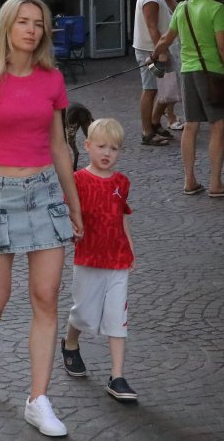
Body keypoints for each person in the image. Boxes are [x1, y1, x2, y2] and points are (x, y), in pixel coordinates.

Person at [0, 0, 85, 438]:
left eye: (39, 23)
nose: (32, 30)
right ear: (7, 26)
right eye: (24, 22)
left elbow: (59, 147)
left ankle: (38, 399)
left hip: (45, 193)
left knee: (46, 296)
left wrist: (74, 205)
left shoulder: (52, 79)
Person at [61, 118, 139, 403]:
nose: (107, 153)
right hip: (89, 257)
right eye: (102, 146)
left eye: (114, 148)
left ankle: (117, 376)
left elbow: (121, 217)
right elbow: (68, 213)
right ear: (87, 146)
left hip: (117, 258)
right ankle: (70, 343)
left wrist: (130, 248)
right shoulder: (78, 181)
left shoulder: (121, 182)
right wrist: (71, 228)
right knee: (84, 312)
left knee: (117, 318)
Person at [155, 0, 224, 198]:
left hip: (188, 72)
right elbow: (223, 48)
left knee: (191, 125)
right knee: (218, 125)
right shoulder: (217, 9)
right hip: (212, 73)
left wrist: (154, 56)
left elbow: (165, 39)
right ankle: (216, 184)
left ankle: (189, 181)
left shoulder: (182, 7)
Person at [132, 0, 173, 147]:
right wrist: (161, 51)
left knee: (160, 89)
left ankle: (154, 124)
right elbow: (152, 27)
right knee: (149, 90)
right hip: (150, 51)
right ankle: (147, 132)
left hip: (151, 49)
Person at [154, 0, 184, 132]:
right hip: (166, 48)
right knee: (169, 85)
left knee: (176, 83)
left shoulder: (177, 6)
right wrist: (160, 51)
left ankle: (169, 113)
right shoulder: (160, 7)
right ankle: (169, 117)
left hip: (178, 47)